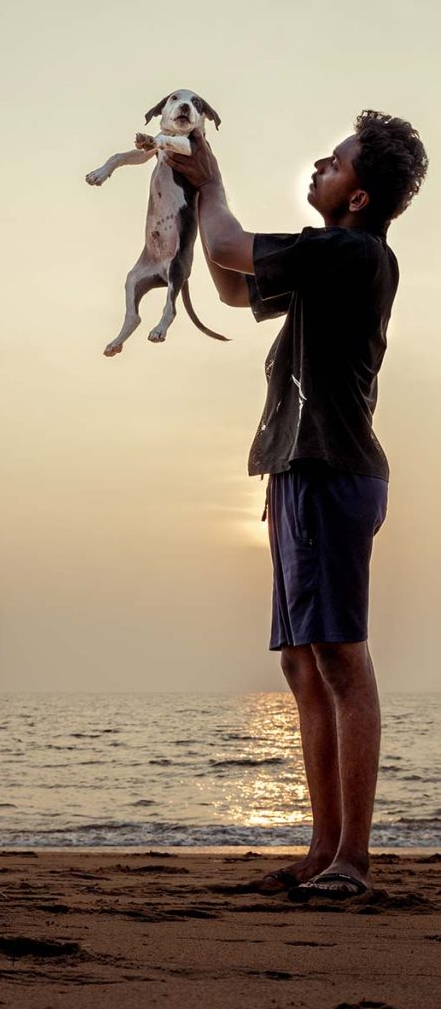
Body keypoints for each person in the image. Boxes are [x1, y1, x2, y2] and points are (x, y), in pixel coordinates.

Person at [166, 111, 428, 900]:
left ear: (357, 198)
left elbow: (225, 245)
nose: (320, 165)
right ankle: (322, 853)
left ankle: (352, 859)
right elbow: (230, 281)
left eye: (335, 161)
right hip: (296, 472)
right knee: (301, 660)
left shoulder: (348, 253)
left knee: (341, 657)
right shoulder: (328, 262)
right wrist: (190, 201)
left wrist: (209, 182)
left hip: (331, 470)